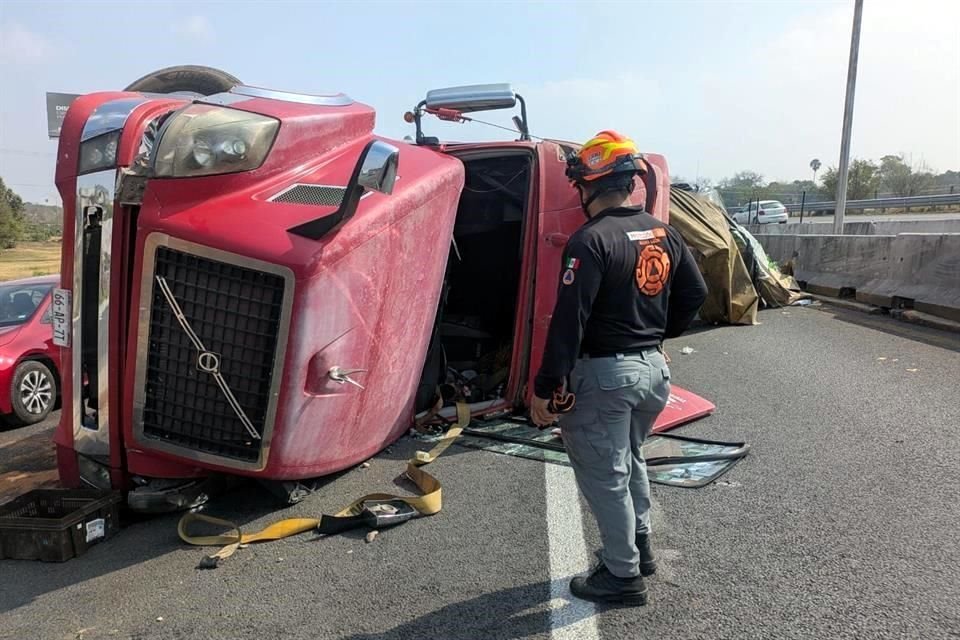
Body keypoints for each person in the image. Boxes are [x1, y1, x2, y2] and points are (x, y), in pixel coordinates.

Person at [531, 130, 707, 606]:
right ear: (630, 182)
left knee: (605, 475)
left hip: (606, 377)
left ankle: (622, 574)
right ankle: (640, 545)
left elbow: (570, 319)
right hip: (652, 372)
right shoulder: (661, 231)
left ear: (588, 186)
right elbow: (695, 294)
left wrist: (546, 387)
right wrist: (654, 338)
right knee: (630, 459)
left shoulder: (589, 241)